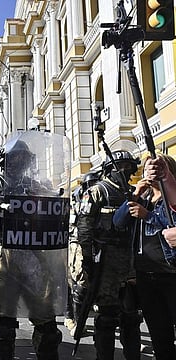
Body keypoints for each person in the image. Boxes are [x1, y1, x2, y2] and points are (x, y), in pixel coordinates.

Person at [0, 138, 63, 360]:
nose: (19, 161)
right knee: (5, 328)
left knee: (47, 326)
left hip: (33, 258)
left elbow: (52, 214)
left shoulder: (35, 186)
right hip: (4, 257)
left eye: (23, 158)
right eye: (15, 157)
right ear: (4, 160)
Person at [78, 149, 142, 360]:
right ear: (109, 169)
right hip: (106, 263)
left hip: (131, 261)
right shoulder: (98, 191)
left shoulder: (134, 192)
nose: (125, 171)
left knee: (131, 316)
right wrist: (86, 259)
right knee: (106, 316)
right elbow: (84, 228)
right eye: (121, 167)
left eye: (129, 167)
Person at [113, 154, 176, 360]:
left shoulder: (172, 198)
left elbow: (171, 226)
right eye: (147, 168)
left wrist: (148, 216)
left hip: (170, 274)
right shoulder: (144, 198)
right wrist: (135, 193)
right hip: (146, 276)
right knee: (160, 335)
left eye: (156, 168)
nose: (150, 173)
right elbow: (119, 222)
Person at [64, 171, 100, 335]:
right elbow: (75, 223)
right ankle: (76, 321)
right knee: (79, 282)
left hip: (97, 242)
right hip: (77, 243)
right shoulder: (79, 198)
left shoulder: (101, 194)